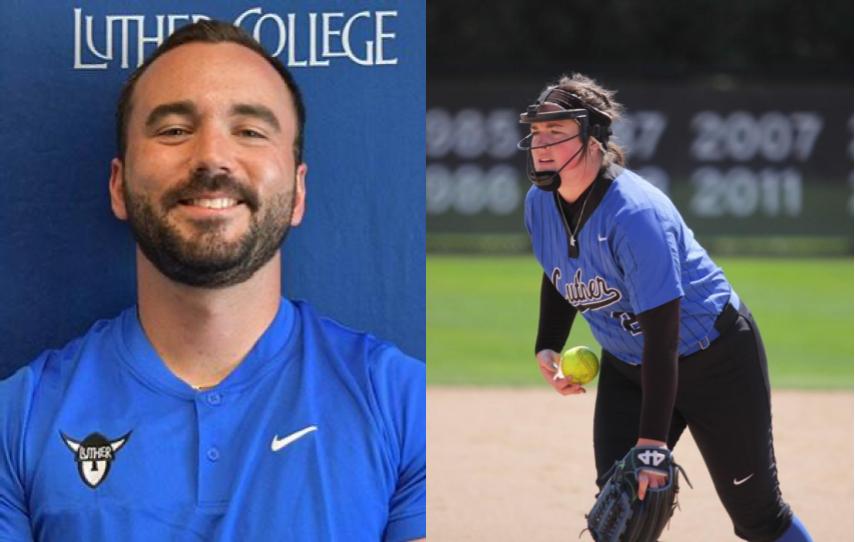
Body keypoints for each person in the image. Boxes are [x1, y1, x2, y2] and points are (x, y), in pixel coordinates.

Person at [0, 20, 425, 541]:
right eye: (174, 130)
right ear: (118, 185)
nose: (212, 158)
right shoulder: (19, 421)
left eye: (249, 130)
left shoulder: (405, 406)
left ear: (297, 192)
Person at [520, 73, 811, 541]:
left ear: (594, 139)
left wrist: (653, 443)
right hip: (630, 367)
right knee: (619, 513)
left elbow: (663, 333)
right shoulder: (540, 203)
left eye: (558, 132)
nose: (542, 144)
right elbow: (561, 265)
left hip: (715, 361)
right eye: (537, 131)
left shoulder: (635, 215)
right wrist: (547, 343)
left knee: (759, 518)